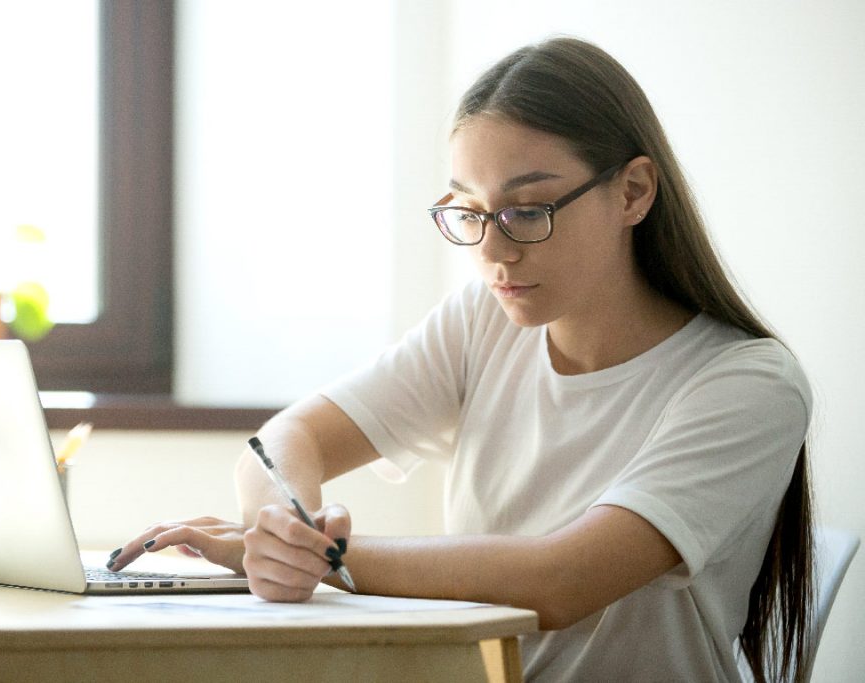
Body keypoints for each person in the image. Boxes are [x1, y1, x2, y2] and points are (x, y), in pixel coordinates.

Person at [109, 37, 814, 682]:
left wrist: (326, 561)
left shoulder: (746, 383)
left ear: (632, 192)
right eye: (470, 213)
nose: (494, 253)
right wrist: (282, 528)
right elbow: (286, 442)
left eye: (527, 211)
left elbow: (561, 579)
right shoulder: (486, 319)